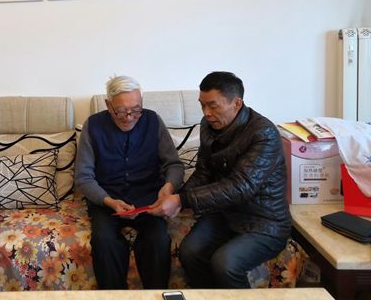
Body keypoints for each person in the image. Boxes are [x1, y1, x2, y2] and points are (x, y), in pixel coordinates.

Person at [149, 71, 291, 288]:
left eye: (213, 106)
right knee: (189, 252)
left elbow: (241, 186)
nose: (206, 113)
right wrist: (176, 197)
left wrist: (182, 200)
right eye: (202, 105)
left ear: (237, 103)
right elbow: (204, 172)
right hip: (224, 214)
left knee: (226, 263)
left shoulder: (264, 133)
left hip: (263, 221)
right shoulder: (209, 126)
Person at [75, 75, 184, 289]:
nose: (130, 117)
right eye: (121, 111)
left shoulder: (153, 121)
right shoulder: (93, 125)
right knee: (104, 241)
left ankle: (155, 295)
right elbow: (83, 177)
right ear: (108, 105)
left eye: (136, 109)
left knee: (157, 241)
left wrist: (168, 187)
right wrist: (109, 201)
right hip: (106, 201)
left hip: (149, 200)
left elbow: (174, 165)